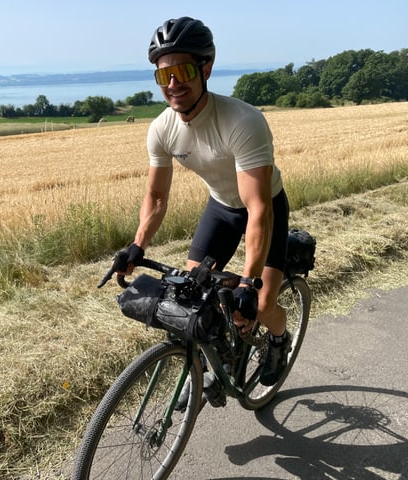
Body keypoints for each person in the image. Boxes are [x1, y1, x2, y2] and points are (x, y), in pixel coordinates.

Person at [116, 16, 291, 386]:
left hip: (265, 209)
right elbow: (157, 196)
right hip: (221, 210)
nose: (173, 84)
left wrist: (248, 283)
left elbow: (258, 208)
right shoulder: (162, 129)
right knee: (188, 298)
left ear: (206, 67)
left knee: (259, 304)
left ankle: (278, 339)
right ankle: (199, 376)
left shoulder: (242, 122)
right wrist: (136, 245)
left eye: (181, 71)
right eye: (164, 76)